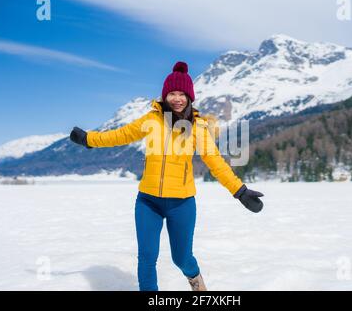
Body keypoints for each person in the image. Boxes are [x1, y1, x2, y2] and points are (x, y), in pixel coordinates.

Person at [70, 61, 264, 291]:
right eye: (172, 93)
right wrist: (89, 139)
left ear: (189, 97)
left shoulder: (198, 127)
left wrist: (239, 191)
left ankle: (197, 284)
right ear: (165, 96)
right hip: (148, 201)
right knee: (147, 257)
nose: (177, 98)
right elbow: (120, 135)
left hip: (181, 203)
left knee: (181, 259)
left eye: (182, 93)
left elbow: (216, 162)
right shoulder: (152, 120)